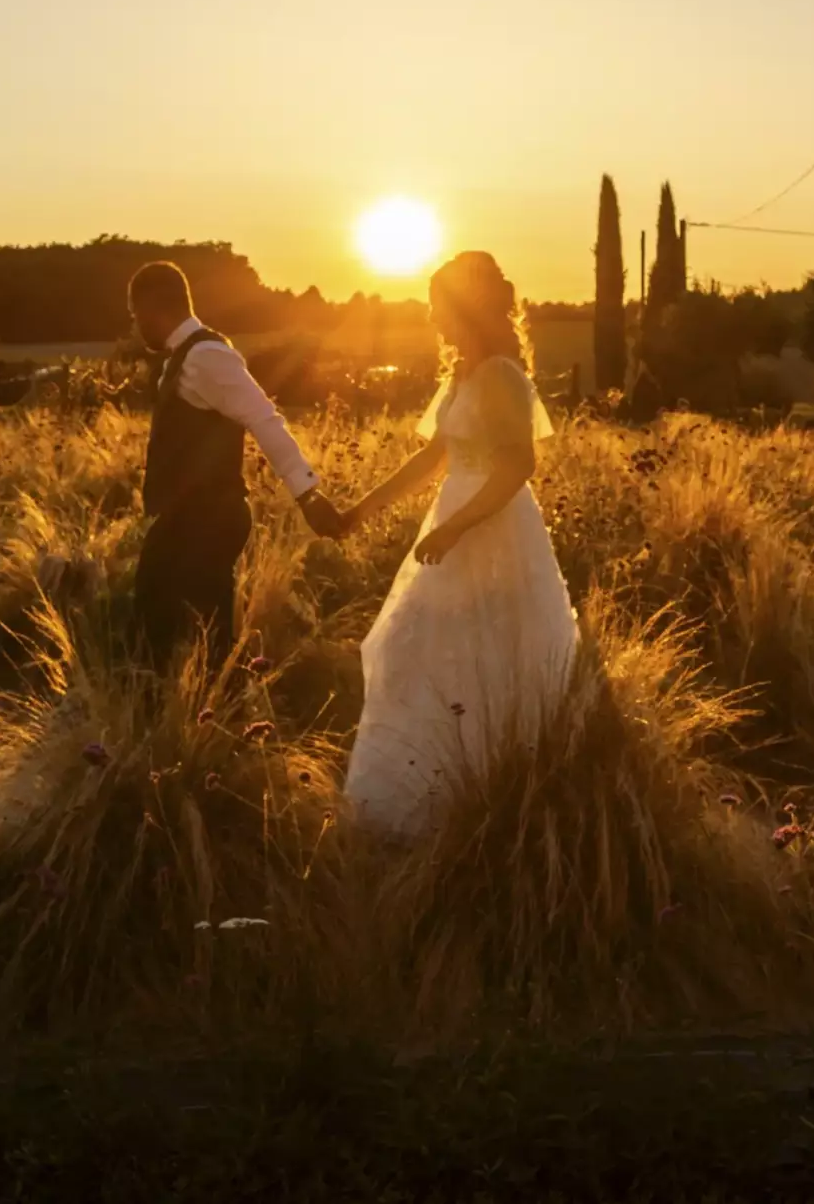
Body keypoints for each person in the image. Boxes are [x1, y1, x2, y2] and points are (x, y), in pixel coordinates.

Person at [334, 251, 581, 835]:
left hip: (493, 530)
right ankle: (420, 801)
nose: (432, 318)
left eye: (438, 306)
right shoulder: (461, 374)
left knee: (489, 657)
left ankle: (487, 798)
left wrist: (457, 526)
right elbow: (433, 456)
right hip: (452, 520)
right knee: (419, 653)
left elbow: (519, 464)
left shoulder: (500, 374)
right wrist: (363, 508)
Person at [127, 261, 343, 669]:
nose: (135, 326)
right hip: (184, 517)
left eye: (135, 314)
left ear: (155, 307)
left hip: (210, 517)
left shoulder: (207, 356)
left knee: (204, 634)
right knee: (159, 621)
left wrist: (307, 494)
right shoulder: (181, 359)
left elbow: (264, 419)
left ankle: (219, 716)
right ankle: (174, 714)